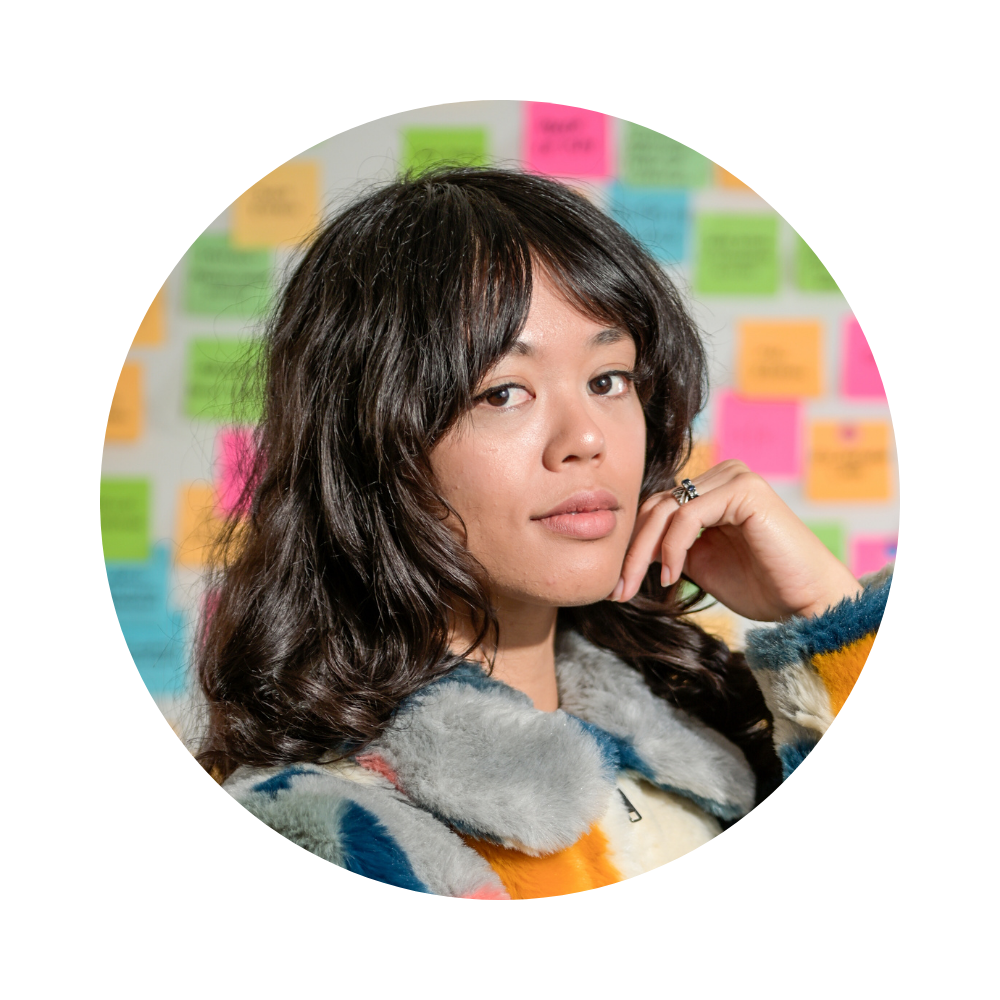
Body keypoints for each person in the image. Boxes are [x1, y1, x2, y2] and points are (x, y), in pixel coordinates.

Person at [196, 166, 892, 898]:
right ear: (367, 445)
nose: (587, 438)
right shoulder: (340, 827)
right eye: (503, 392)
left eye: (608, 379)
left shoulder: (702, 748)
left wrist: (822, 614)